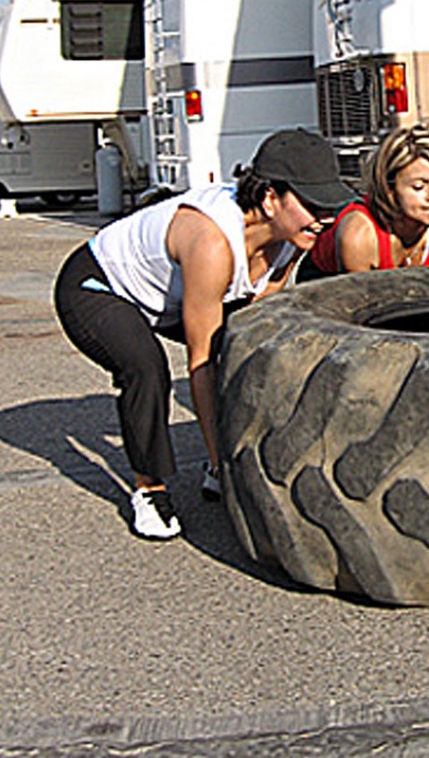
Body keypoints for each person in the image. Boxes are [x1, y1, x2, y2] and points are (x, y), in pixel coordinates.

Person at [54, 128, 354, 541]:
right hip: (96, 286)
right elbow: (201, 362)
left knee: (245, 347)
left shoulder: (294, 238)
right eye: (314, 205)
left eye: (331, 206)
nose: (326, 218)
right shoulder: (212, 241)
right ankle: (149, 490)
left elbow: (249, 333)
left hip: (168, 298)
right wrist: (223, 468)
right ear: (270, 199)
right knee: (146, 366)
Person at [296, 125, 429, 281]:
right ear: (390, 190)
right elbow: (359, 304)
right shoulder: (360, 236)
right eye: (419, 187)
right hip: (327, 283)